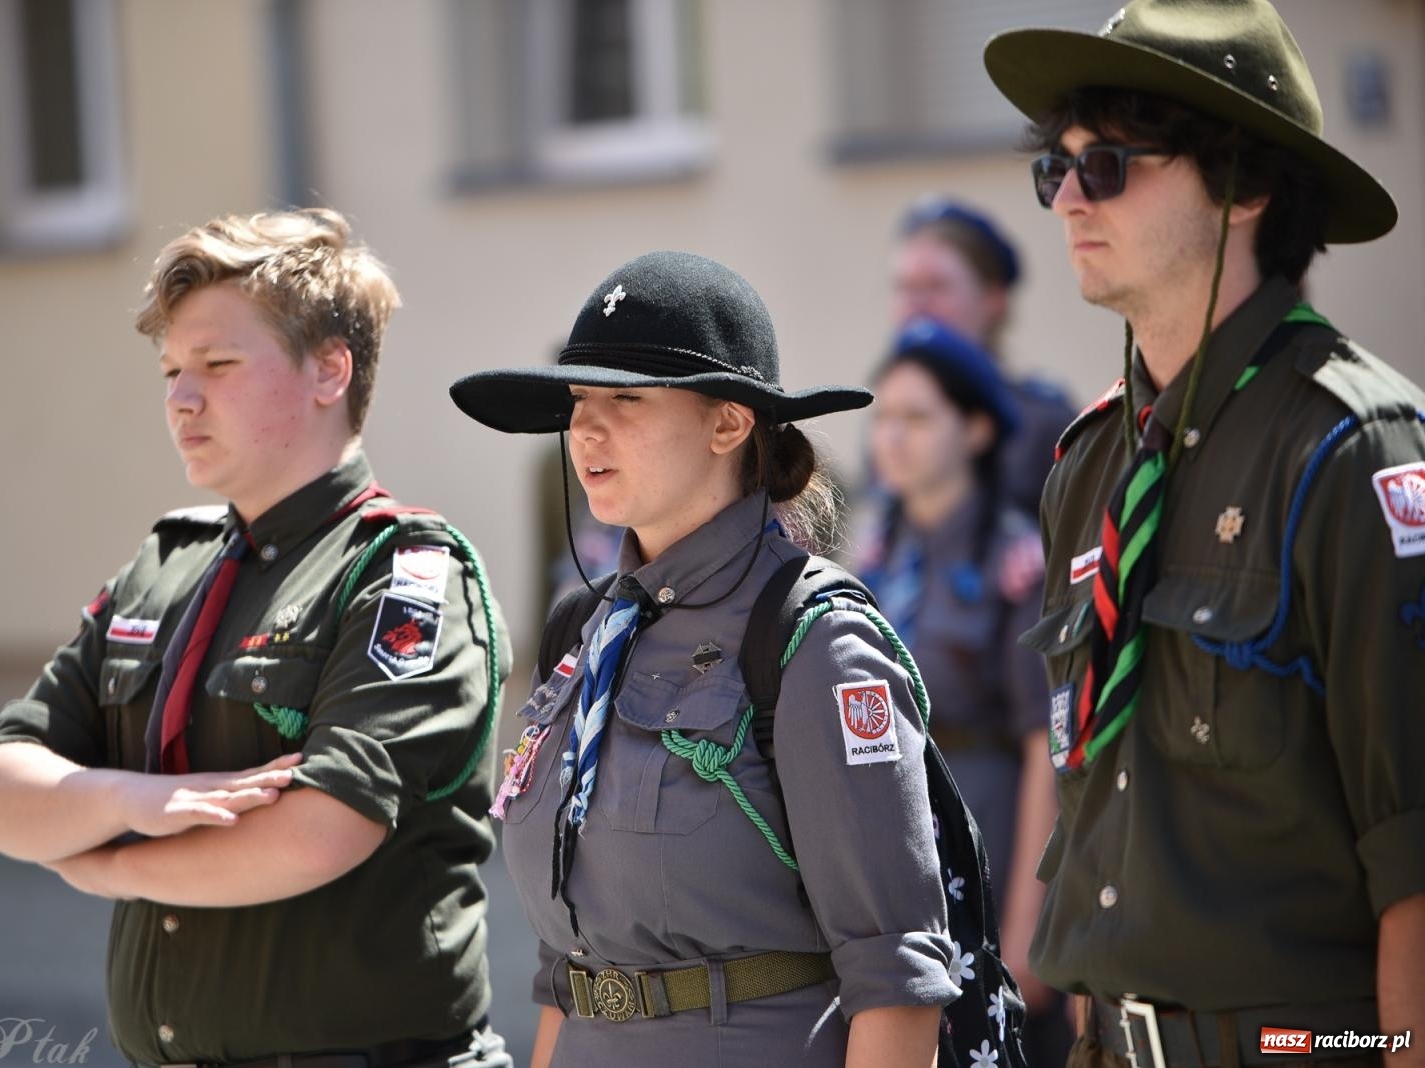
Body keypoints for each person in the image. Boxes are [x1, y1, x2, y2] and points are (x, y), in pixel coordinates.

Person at [0, 209, 514, 1068]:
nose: (181, 397)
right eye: (173, 369)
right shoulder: (166, 563)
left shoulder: (402, 574)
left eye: (217, 364)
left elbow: (323, 831)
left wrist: (111, 865)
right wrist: (128, 803)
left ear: (331, 370)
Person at [982, 0, 1425, 1061]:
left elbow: (1414, 854)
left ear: (1245, 185)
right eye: (1057, 169)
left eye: (1109, 167)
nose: (1068, 203)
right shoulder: (1088, 463)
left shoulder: (1354, 447)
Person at [449, 251, 962, 1067]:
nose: (585, 426)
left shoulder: (813, 640)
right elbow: (565, 972)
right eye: (580, 397)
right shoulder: (584, 632)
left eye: (625, 397)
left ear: (729, 423)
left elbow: (896, 983)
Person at [856, 318, 1065, 1050]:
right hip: (890, 864)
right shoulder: (869, 552)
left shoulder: (1017, 562)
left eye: (918, 417)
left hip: (987, 838)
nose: (894, 437)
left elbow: (1046, 746)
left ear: (975, 430)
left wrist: (1026, 926)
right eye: (884, 418)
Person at [893, 196, 1077, 515]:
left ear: (993, 299)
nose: (917, 306)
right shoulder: (890, 420)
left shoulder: (1044, 425)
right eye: (905, 288)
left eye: (937, 286)